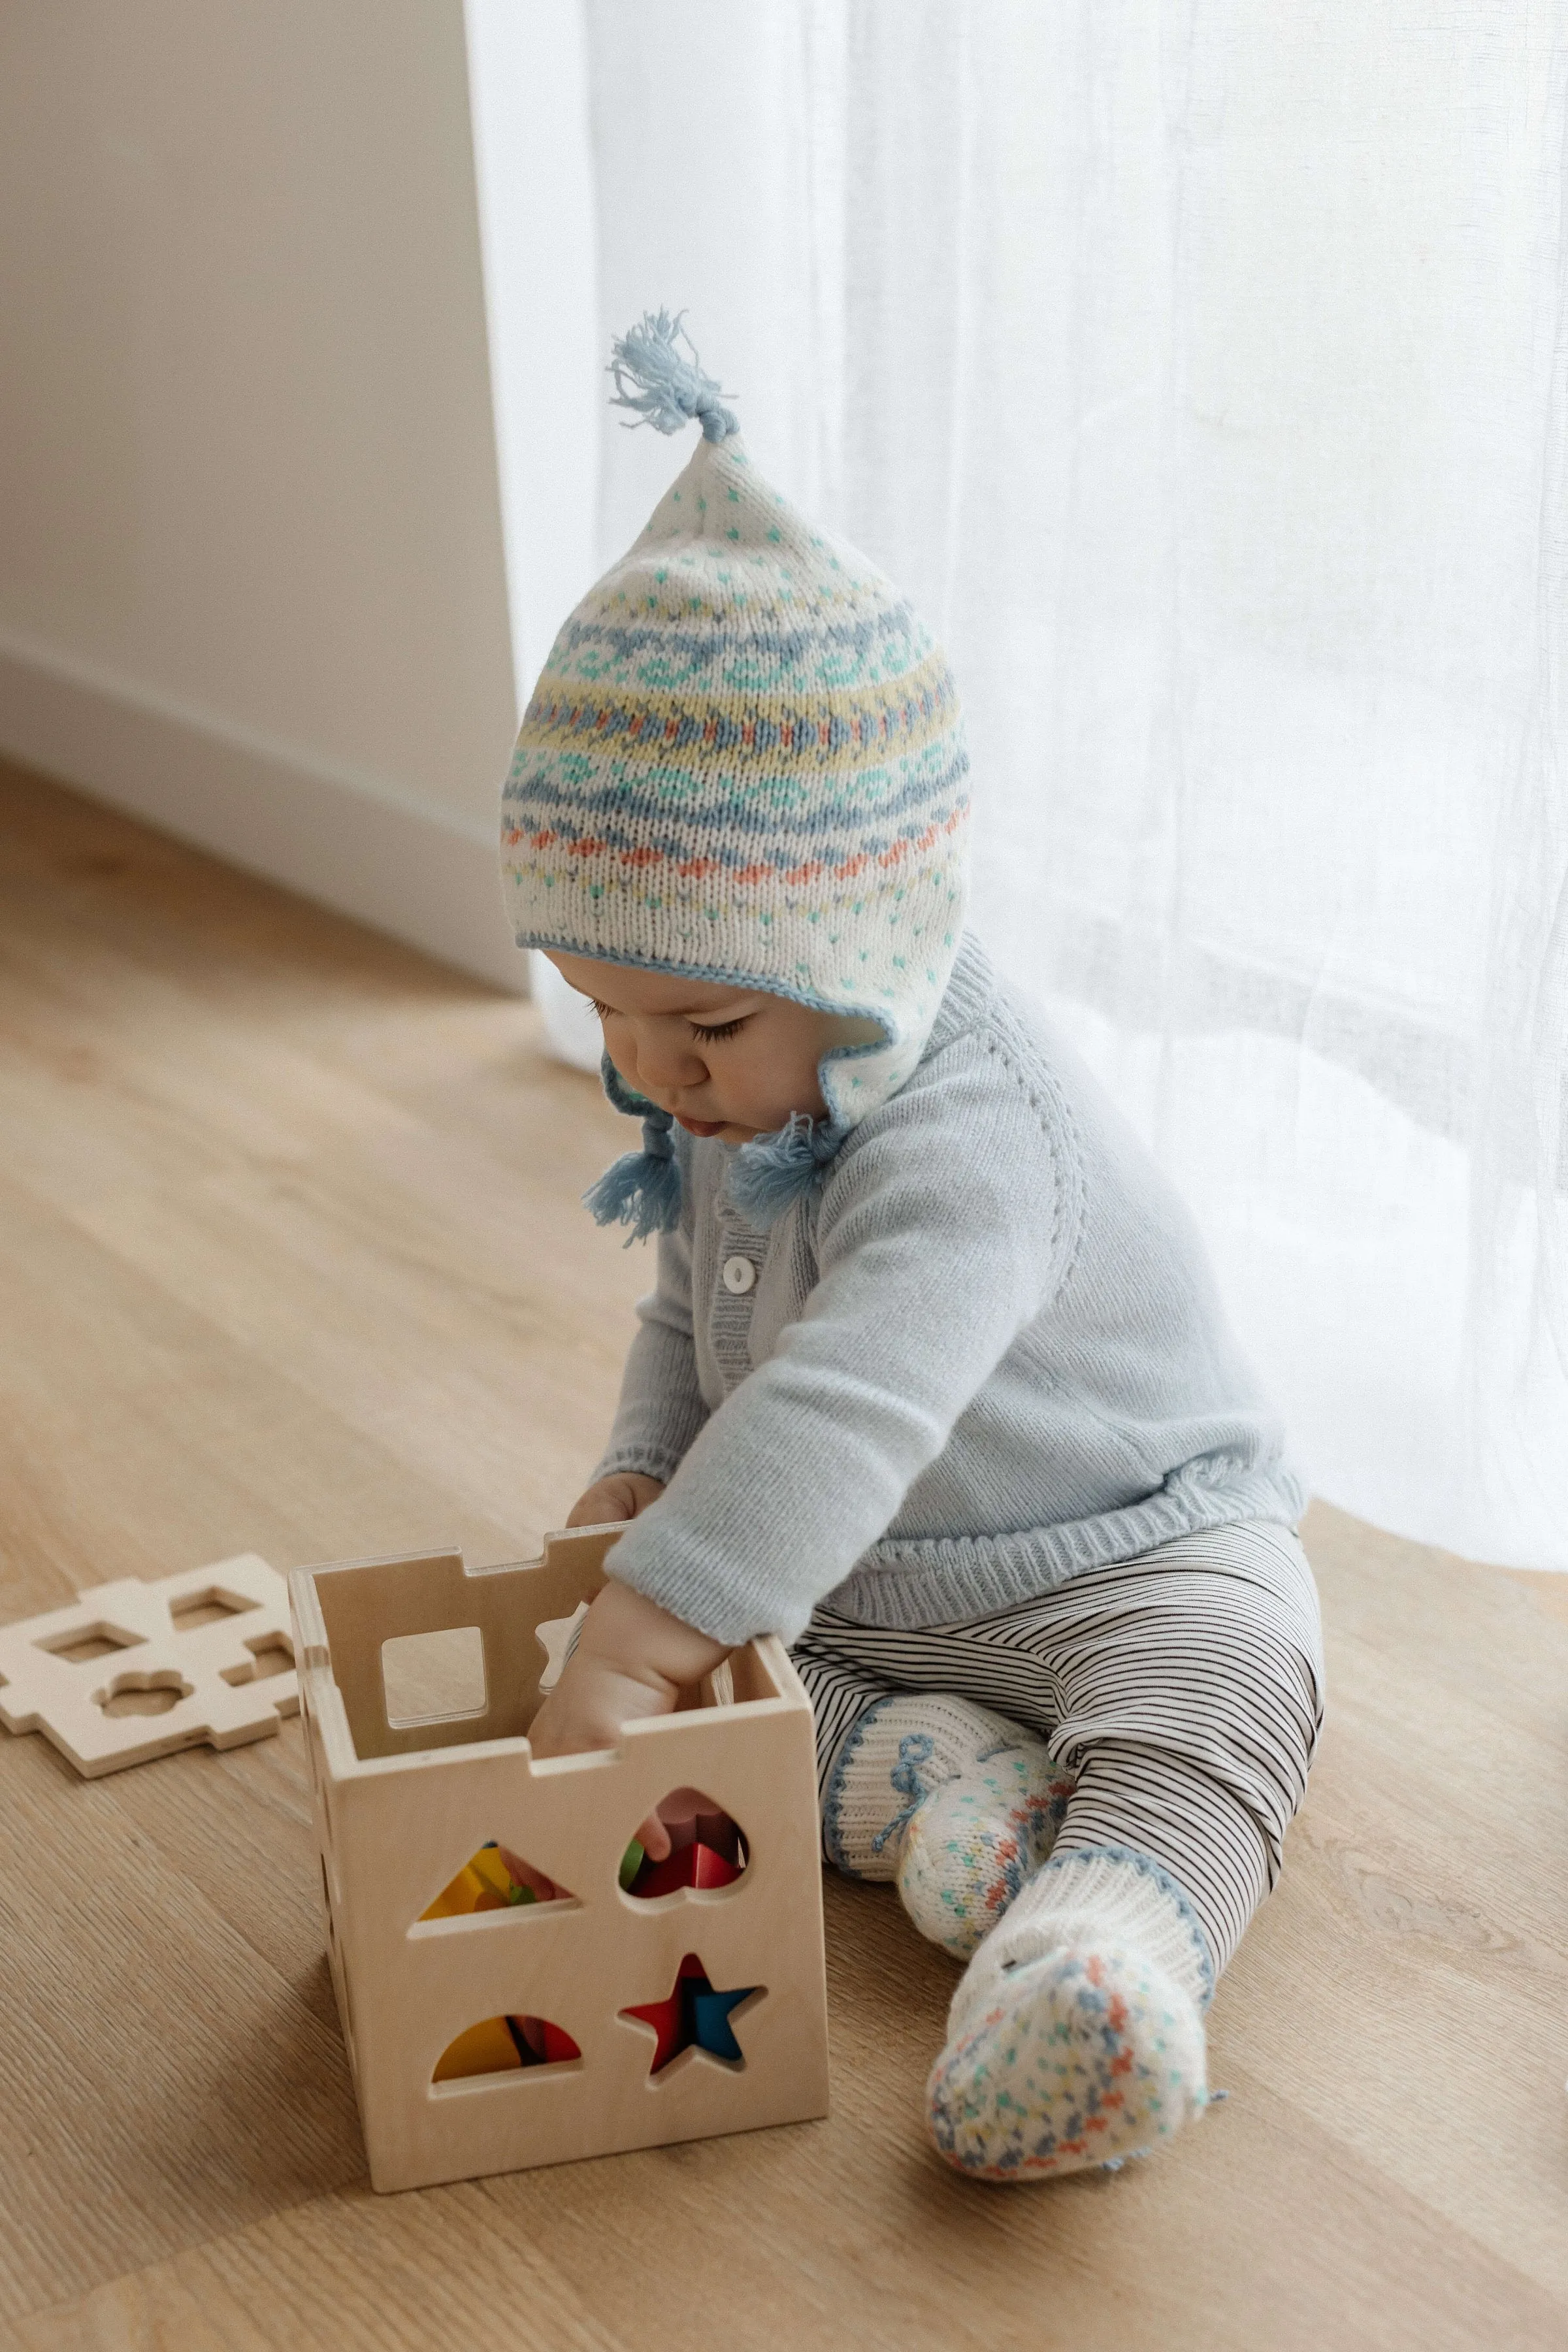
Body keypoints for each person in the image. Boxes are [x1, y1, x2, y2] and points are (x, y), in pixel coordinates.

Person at [500, 312, 1322, 2181]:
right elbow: (692, 1325)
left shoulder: (976, 1138)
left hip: (1127, 1549)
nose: (649, 1079)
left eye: (693, 1037)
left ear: (859, 956)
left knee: (1224, 1684)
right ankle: (938, 1783)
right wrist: (642, 1472)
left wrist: (643, 1633)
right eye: (605, 1019)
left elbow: (845, 1404)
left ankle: (1101, 1949)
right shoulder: (744, 1078)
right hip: (878, 1586)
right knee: (739, 1677)